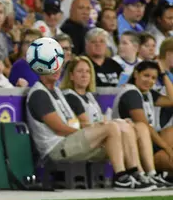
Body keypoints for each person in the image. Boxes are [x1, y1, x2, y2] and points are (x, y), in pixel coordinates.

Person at [25, 68, 153, 191]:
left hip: (69, 141)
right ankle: (121, 177)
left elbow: (74, 123)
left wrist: (94, 127)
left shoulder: (57, 91)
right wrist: (91, 130)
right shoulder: (39, 94)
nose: (56, 70)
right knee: (111, 127)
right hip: (55, 148)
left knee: (122, 125)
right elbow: (59, 128)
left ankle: (137, 174)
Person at [60, 57, 169, 188]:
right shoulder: (71, 95)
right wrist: (167, 149)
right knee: (135, 126)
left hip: (102, 136)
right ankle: (129, 175)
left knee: (131, 125)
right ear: (71, 76)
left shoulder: (89, 96)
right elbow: (85, 124)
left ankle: (144, 174)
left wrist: (164, 74)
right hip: (84, 139)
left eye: (88, 72)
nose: (84, 75)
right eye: (80, 71)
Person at [112, 61, 173, 174]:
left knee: (171, 132)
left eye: (153, 78)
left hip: (148, 142)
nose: (149, 81)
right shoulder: (131, 93)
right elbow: (144, 125)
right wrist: (167, 148)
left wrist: (164, 74)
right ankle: (152, 172)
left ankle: (164, 173)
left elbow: (171, 100)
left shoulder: (148, 93)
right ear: (136, 74)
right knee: (168, 159)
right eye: (146, 75)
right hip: (131, 147)